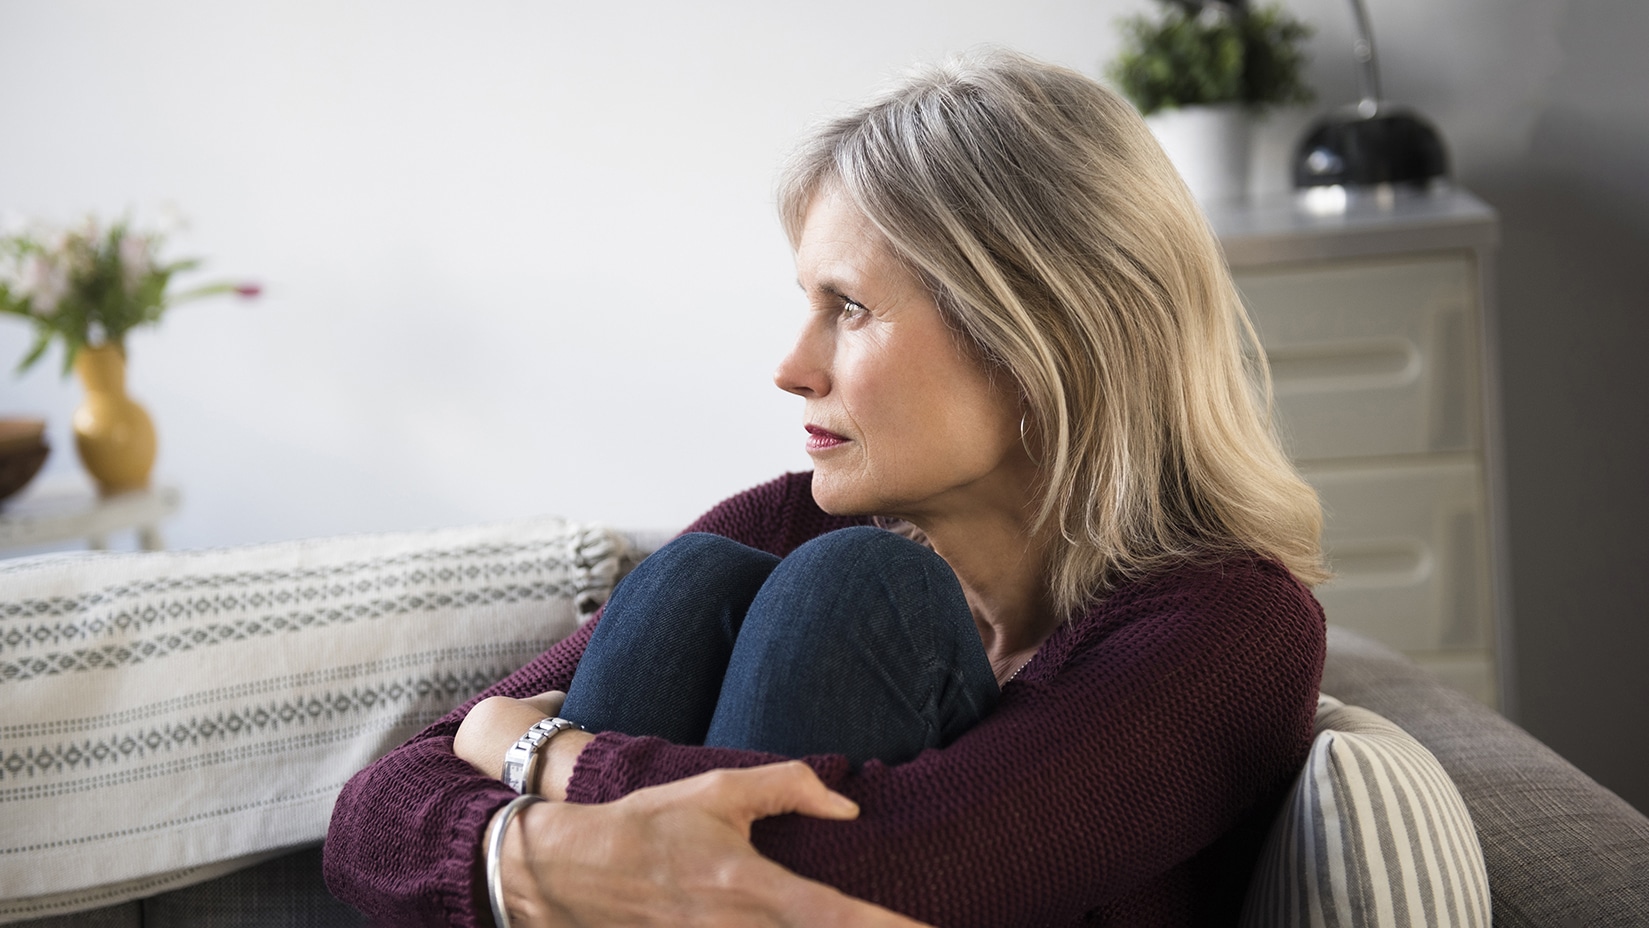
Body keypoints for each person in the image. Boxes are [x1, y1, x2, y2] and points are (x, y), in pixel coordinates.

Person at [323, 48, 1329, 928]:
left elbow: (893, 863)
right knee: (693, 580)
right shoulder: (780, 522)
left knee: (853, 587)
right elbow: (373, 815)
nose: (790, 366)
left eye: (846, 307)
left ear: (1041, 338)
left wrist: (542, 753)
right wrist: (532, 859)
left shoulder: (1231, 631)